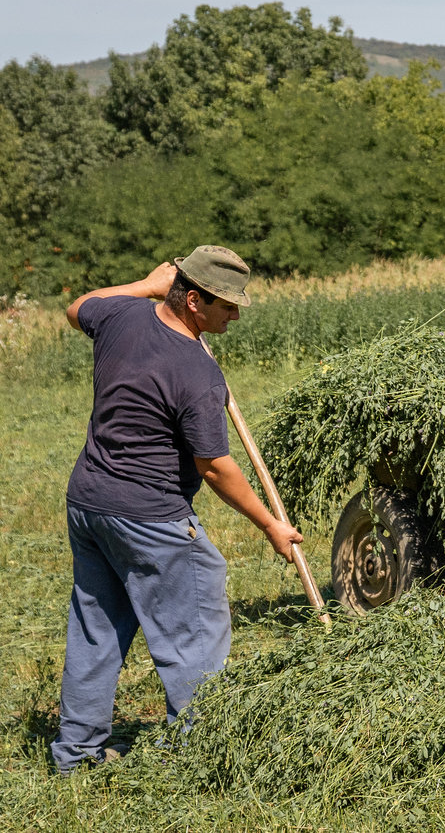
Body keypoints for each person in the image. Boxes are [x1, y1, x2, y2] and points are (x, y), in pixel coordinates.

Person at [51, 245, 303, 774]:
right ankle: (195, 756)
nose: (235, 315)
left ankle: (75, 757)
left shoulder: (123, 315)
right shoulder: (195, 371)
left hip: (90, 504)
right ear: (193, 300)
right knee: (195, 628)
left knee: (96, 630)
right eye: (227, 306)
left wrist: (143, 286)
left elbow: (78, 307)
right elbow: (215, 468)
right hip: (150, 517)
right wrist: (271, 526)